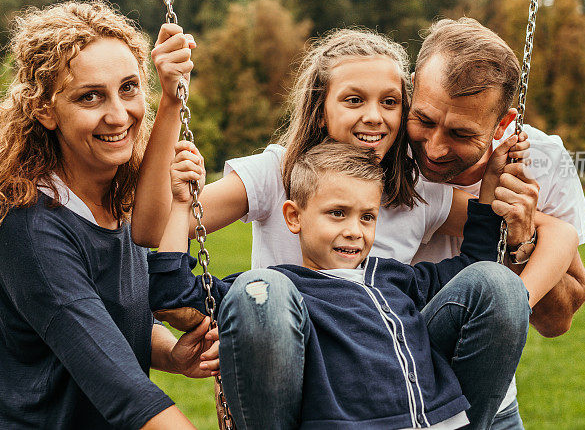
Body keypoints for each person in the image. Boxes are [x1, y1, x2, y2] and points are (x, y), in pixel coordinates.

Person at [132, 25, 578, 426]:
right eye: (353, 100)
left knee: (496, 283)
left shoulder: (411, 195)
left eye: (389, 102)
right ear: (320, 106)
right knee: (263, 289)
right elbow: (155, 240)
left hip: (388, 373)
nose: (373, 116)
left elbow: (500, 255)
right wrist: (177, 189)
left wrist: (494, 196)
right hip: (292, 369)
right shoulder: (278, 173)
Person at [0, 0, 212, 429]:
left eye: (129, 88)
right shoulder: (29, 228)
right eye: (90, 96)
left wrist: (169, 353)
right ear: (44, 109)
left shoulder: (115, 196)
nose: (118, 115)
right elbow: (123, 390)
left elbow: (105, 311)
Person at [149, 141, 527, 429]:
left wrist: (491, 183)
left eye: (367, 217)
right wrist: (183, 206)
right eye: (337, 213)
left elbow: (477, 270)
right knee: (257, 287)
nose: (353, 231)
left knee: (499, 281)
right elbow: (174, 294)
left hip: (433, 421)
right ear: (294, 217)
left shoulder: (393, 278)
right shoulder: (285, 292)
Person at [408, 17, 585, 428]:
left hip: (494, 408)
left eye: (460, 133)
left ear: (504, 124)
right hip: (393, 396)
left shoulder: (541, 160)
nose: (435, 147)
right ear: (412, 89)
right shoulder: (379, 148)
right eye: (424, 120)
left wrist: (523, 238)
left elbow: (557, 320)